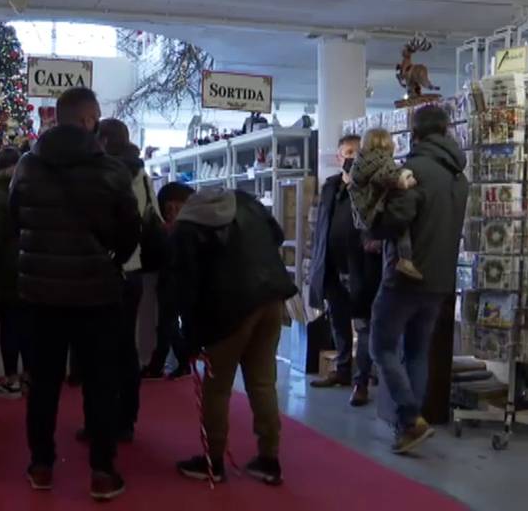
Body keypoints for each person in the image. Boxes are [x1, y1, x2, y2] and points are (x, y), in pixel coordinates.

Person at [10, 87, 140, 501]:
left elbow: (16, 222)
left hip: (39, 293)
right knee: (100, 383)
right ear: (88, 121)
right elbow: (129, 232)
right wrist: (109, 258)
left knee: (43, 383)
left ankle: (41, 465)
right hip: (97, 294)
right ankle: (102, 471)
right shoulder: (112, 171)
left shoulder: (27, 167)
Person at [171, 187, 297, 486]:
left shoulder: (187, 226)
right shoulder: (246, 201)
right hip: (271, 296)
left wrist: (188, 335)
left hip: (228, 309)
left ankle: (213, 461)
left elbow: (185, 285)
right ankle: (269, 459)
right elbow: (277, 235)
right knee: (263, 382)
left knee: (217, 388)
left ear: (173, 206)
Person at [369, 105, 468, 454]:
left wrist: (373, 223)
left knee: (380, 346)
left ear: (416, 133)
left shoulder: (415, 171)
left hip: (406, 275)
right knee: (417, 352)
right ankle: (409, 425)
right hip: (441, 280)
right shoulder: (459, 177)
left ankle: (410, 418)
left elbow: (396, 220)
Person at [70, 117, 158, 442]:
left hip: (104, 271)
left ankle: (99, 422)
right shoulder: (143, 176)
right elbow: (153, 220)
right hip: (133, 271)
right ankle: (126, 420)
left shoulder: (102, 173)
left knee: (98, 352)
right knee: (126, 350)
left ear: (103, 140)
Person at [308, 134, 371, 393]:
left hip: (360, 267)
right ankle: (343, 370)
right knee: (339, 321)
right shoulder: (330, 187)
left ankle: (362, 381)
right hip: (332, 265)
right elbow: (322, 226)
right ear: (338, 157)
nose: (352, 158)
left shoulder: (367, 189)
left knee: (363, 323)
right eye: (348, 153)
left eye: (357, 153)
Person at [0, 147, 31, 399]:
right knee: (26, 327)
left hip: (4, 271)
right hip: (28, 267)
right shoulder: (28, 190)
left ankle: (11, 379)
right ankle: (28, 377)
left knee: (9, 327)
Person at [349, 128, 422, 280]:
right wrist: (409, 177)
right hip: (378, 214)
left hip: (364, 217)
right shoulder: (383, 162)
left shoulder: (358, 163)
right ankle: (405, 259)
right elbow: (394, 178)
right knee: (402, 227)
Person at [143, 181, 195, 380]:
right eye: (169, 209)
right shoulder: (180, 229)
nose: (172, 212)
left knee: (168, 326)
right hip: (173, 282)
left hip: (173, 282)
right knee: (168, 325)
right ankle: (169, 364)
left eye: (176, 208)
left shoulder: (175, 230)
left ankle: (171, 363)